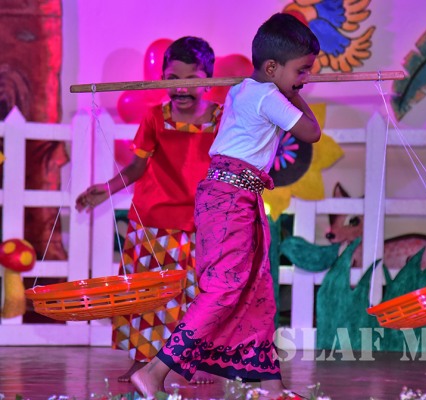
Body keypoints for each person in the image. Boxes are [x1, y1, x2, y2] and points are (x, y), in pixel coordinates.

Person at [131, 13, 321, 398]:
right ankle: (155, 370)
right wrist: (294, 93)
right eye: (302, 70)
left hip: (232, 195)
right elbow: (312, 132)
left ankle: (272, 386)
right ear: (272, 68)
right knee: (223, 288)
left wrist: (290, 83)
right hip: (231, 198)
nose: (305, 78)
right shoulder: (268, 96)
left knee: (256, 290)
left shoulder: (242, 89)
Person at [75, 36, 222, 384]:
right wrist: (105, 189)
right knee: (146, 298)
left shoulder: (223, 118)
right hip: (152, 223)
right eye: (173, 78)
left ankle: (192, 364)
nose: (181, 88)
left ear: (210, 80)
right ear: (162, 79)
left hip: (201, 224)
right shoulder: (156, 118)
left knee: (196, 298)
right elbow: (136, 169)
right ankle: (142, 361)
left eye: (192, 79)